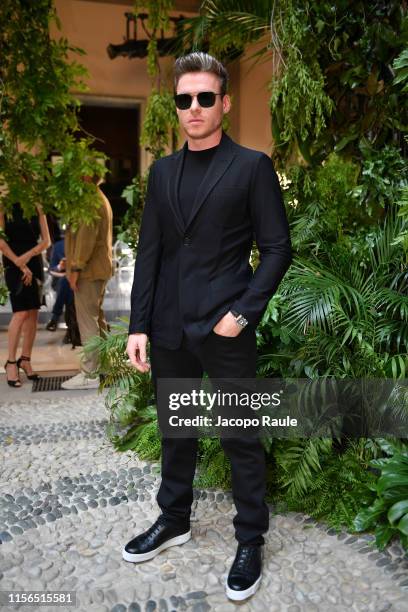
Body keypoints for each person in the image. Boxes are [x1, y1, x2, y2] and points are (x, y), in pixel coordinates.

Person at [124, 52, 292, 601]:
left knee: (240, 437)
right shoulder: (163, 172)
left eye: (203, 98)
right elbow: (150, 252)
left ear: (224, 102)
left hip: (225, 328)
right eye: (183, 99)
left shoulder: (250, 167)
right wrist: (138, 324)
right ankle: (173, 519)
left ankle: (251, 538)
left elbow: (276, 249)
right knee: (178, 433)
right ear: (176, 106)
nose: (192, 108)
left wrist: (242, 313)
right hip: (170, 329)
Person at [61, 173, 113, 390]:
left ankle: (90, 373)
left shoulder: (91, 201)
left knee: (87, 321)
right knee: (96, 319)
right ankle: (104, 366)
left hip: (89, 271)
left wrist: (76, 267)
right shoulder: (98, 198)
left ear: (85, 176)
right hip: (96, 269)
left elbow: (86, 238)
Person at [0, 202, 51, 387]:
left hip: (33, 260)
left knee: (33, 314)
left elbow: (47, 241)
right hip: (13, 262)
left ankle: (26, 359)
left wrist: (27, 258)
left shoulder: (38, 206)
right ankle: (11, 362)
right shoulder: (3, 207)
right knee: (20, 312)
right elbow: (0, 240)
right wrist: (19, 263)